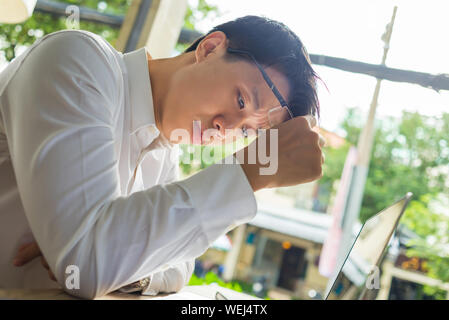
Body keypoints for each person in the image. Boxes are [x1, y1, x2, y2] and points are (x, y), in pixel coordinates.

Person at [0, 15, 324, 299]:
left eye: (246, 133)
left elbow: (181, 268)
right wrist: (250, 172)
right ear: (210, 48)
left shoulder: (163, 154)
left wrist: (125, 266)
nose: (224, 128)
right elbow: (83, 264)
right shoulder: (81, 61)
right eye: (241, 101)